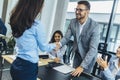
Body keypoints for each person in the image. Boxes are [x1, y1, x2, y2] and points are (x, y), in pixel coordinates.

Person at [9, 0, 59, 80]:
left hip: (17, 64)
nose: (43, 6)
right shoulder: (37, 25)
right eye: (42, 4)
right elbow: (43, 47)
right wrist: (54, 45)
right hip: (28, 68)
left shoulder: (17, 21)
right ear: (35, 6)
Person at [60, 0, 100, 79]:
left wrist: (82, 66)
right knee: (75, 76)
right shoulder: (73, 22)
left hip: (88, 57)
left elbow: (93, 49)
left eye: (80, 10)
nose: (77, 12)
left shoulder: (94, 26)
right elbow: (66, 38)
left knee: (83, 78)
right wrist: (58, 44)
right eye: (76, 9)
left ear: (87, 11)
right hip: (77, 55)